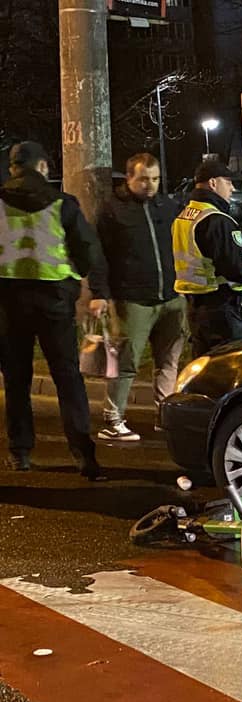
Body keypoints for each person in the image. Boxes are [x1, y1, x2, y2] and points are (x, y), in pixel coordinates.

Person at [0, 141, 107, 479]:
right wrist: (73, 276)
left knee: (16, 380)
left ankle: (20, 453)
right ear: (43, 167)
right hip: (54, 302)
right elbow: (88, 250)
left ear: (13, 168)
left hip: (8, 303)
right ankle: (83, 454)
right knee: (67, 377)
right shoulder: (63, 204)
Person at [89, 153, 186, 442]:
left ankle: (164, 416)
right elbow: (98, 256)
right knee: (126, 362)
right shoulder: (112, 211)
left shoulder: (166, 206)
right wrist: (100, 294)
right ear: (129, 177)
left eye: (155, 179)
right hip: (133, 300)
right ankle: (112, 419)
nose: (150, 185)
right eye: (143, 179)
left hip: (170, 296)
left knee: (168, 362)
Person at [172, 159, 242, 357]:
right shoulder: (216, 220)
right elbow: (238, 271)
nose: (233, 188)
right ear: (213, 183)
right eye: (228, 182)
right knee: (235, 367)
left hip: (196, 308)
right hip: (224, 311)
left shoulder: (185, 216)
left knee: (205, 368)